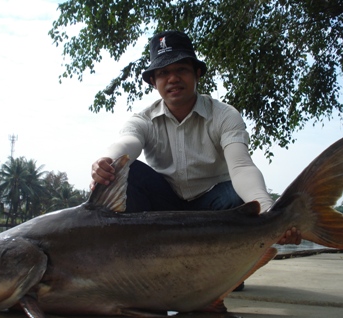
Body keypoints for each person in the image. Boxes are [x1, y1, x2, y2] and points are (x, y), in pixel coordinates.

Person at [91, 31, 301, 244]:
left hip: (214, 206)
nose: (173, 78)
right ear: (154, 82)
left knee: (236, 194)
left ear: (197, 73)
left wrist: (268, 211)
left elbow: (241, 167)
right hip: (164, 207)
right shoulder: (144, 119)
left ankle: (227, 270)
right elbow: (127, 143)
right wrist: (106, 161)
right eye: (163, 72)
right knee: (126, 171)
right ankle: (142, 262)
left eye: (181, 69)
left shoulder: (224, 115)